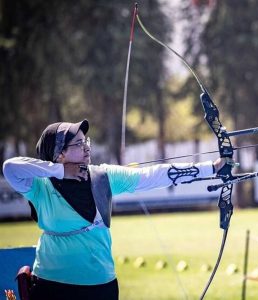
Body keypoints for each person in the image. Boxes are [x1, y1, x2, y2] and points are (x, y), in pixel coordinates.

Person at [2, 119, 226, 300]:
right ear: (59, 154)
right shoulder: (39, 186)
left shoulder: (102, 176)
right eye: (78, 144)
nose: (86, 147)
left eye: (85, 141)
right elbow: (10, 167)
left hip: (99, 285)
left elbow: (152, 175)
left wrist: (211, 168)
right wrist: (61, 172)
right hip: (51, 285)